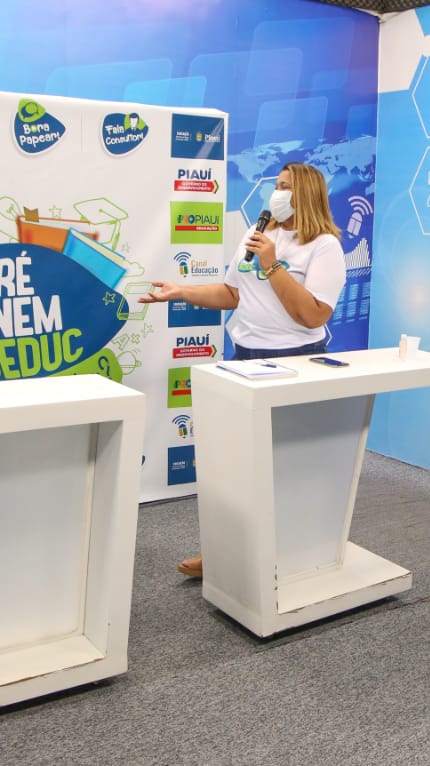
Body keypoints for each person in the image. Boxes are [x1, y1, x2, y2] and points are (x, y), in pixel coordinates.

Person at [140, 162, 345, 578]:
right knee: (233, 463)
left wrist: (273, 265)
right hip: (244, 359)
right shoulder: (258, 233)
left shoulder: (324, 246)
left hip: (294, 362)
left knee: (283, 468)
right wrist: (182, 292)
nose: (277, 194)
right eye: (276, 185)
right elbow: (232, 293)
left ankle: (287, 553)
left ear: (306, 194)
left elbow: (313, 315)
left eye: (286, 187)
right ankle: (223, 551)